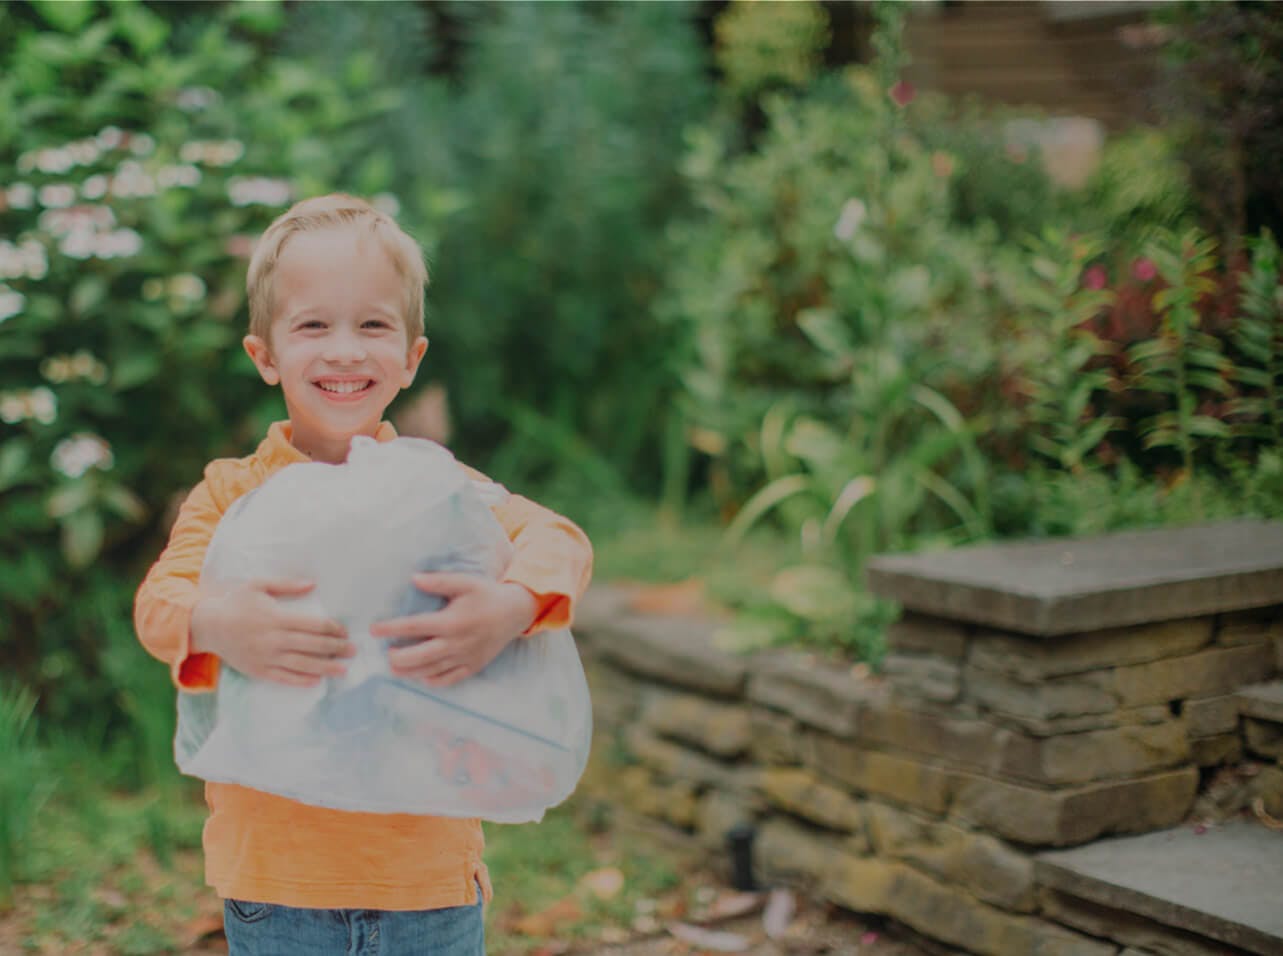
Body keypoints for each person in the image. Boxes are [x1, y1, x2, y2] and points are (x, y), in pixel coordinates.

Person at [133, 193, 594, 955]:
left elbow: (559, 538)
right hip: (277, 884)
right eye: (314, 325)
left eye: (372, 325)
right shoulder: (231, 493)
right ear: (265, 355)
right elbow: (160, 604)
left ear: (411, 358)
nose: (345, 350)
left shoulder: (438, 490)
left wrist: (509, 605)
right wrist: (219, 624)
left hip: (429, 880)